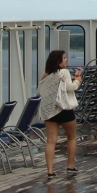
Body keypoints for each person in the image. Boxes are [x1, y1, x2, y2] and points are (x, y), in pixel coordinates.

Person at [37, 50, 81, 178]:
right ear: (58, 62)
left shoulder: (45, 76)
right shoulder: (64, 72)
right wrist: (78, 80)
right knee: (71, 137)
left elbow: (40, 92)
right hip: (64, 110)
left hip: (50, 112)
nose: (66, 60)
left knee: (51, 141)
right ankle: (70, 166)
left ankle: (50, 170)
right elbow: (70, 88)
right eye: (64, 58)